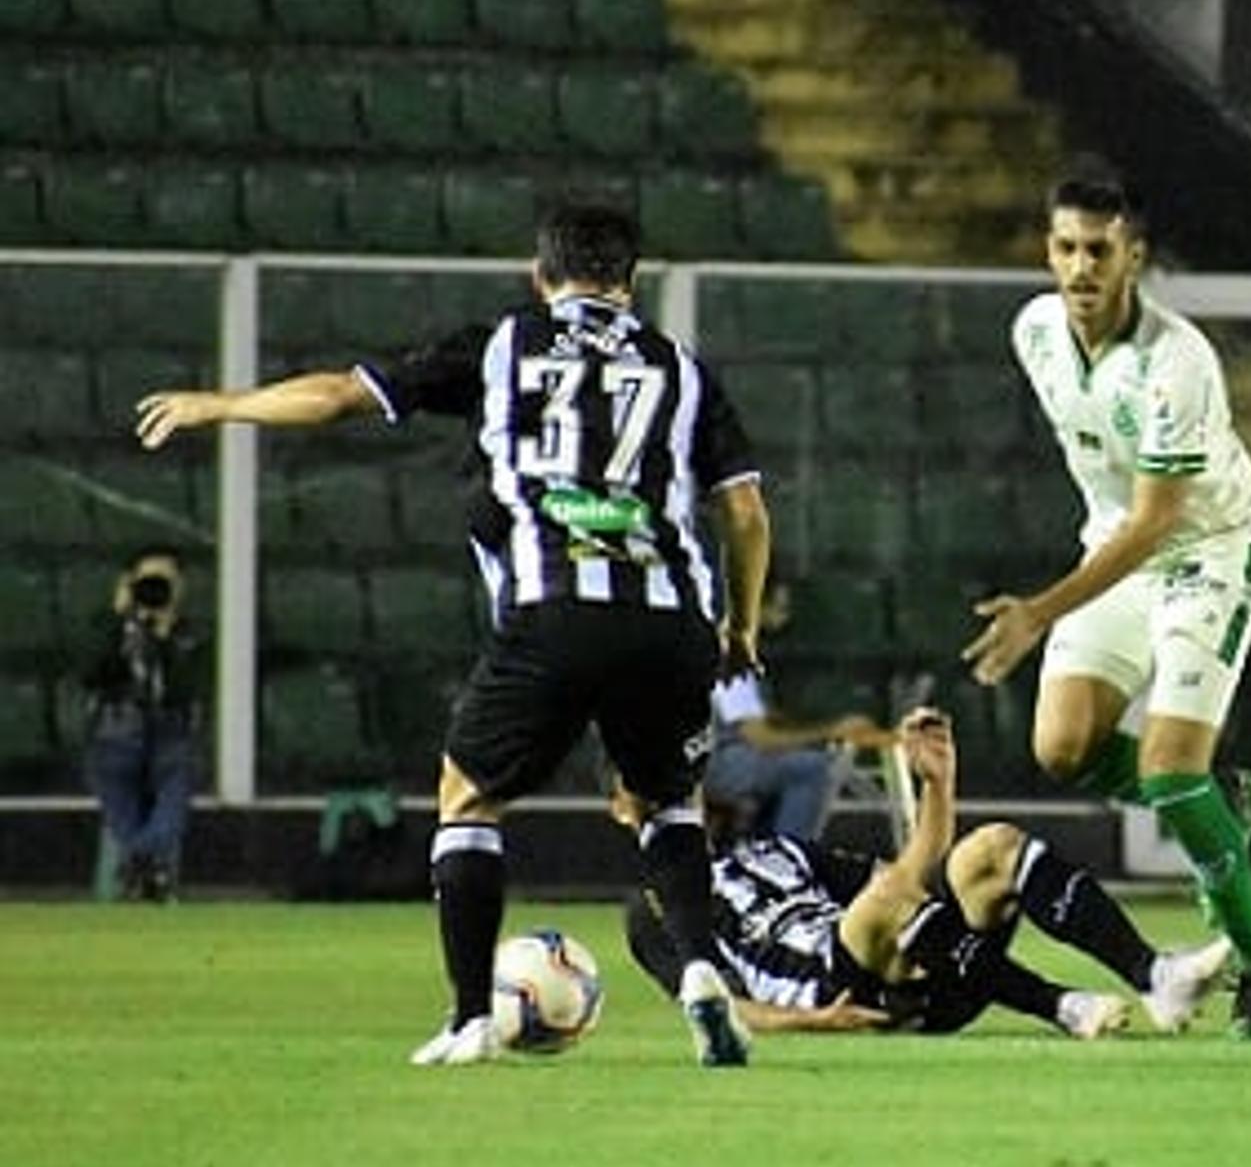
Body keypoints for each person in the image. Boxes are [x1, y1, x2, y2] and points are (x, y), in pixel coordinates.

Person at [135, 203, 767, 1067]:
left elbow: (341, 396)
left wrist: (223, 404)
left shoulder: (502, 344)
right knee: (667, 804)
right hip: (671, 618)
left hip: (555, 609)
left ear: (540, 275)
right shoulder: (685, 371)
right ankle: (700, 971)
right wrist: (740, 624)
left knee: (467, 797)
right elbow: (745, 512)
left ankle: (472, 1017)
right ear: (631, 281)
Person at [961, 160, 1251, 1038]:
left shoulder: (1176, 364)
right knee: (1062, 747)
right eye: (1066, 248)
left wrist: (1039, 610)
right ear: (1048, 251)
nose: (1080, 268)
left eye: (1099, 251)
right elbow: (1116, 506)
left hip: (1208, 555)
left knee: (1167, 772)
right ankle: (1221, 800)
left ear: (1134, 257)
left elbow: (1155, 523)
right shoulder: (1033, 331)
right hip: (1118, 548)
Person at [623, 708, 1233, 1039]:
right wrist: (814, 1021)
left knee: (991, 847)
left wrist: (939, 786)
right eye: (651, 788)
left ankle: (1155, 976)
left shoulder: (776, 851)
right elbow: (712, 1005)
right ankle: (1061, 1006)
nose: (678, 795)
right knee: (885, 900)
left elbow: (914, 875)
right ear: (623, 809)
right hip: (842, 995)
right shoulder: (650, 907)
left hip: (923, 959)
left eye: (681, 785)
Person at [702, 578, 895, 841]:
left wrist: (828, 728)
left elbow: (762, 717)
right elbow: (761, 737)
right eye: (780, 607)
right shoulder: (731, 659)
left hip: (725, 756)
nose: (786, 615)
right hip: (718, 765)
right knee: (813, 768)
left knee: (804, 758)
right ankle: (788, 856)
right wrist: (830, 730)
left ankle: (764, 842)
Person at [82, 545, 209, 902]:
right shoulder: (107, 627)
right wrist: (122, 624)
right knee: (120, 806)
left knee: (175, 794)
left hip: (171, 731)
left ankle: (139, 863)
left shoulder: (191, 634)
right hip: (116, 730)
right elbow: (91, 675)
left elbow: (187, 687)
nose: (155, 589)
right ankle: (147, 869)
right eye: (147, 580)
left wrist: (166, 638)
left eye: (164, 580)